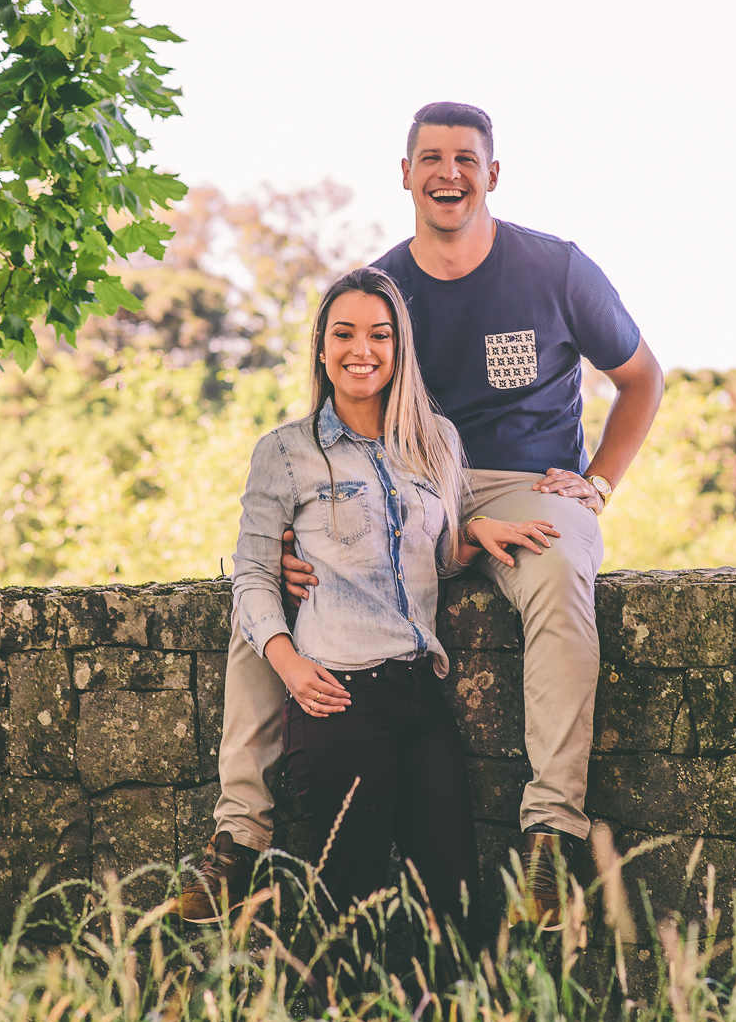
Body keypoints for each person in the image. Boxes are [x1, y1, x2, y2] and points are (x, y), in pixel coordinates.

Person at [175, 102, 662, 929]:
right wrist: (305, 536)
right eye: (430, 157)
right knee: (269, 593)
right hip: (400, 480)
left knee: (557, 574)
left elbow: (642, 377)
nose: (448, 172)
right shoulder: (379, 289)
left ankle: (551, 833)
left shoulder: (556, 270)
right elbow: (343, 421)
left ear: (492, 174)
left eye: (466, 158)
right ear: (405, 174)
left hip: (521, 483)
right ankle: (238, 835)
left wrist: (598, 483)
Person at [180, 264, 559, 960]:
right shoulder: (285, 452)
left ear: (398, 348)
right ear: (321, 349)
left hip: (420, 697)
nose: (363, 349)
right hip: (335, 701)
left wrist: (474, 537)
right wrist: (289, 665)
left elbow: (428, 553)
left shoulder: (436, 440)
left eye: (379, 335)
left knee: (452, 911)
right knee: (344, 916)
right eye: (345, 333)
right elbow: (255, 579)